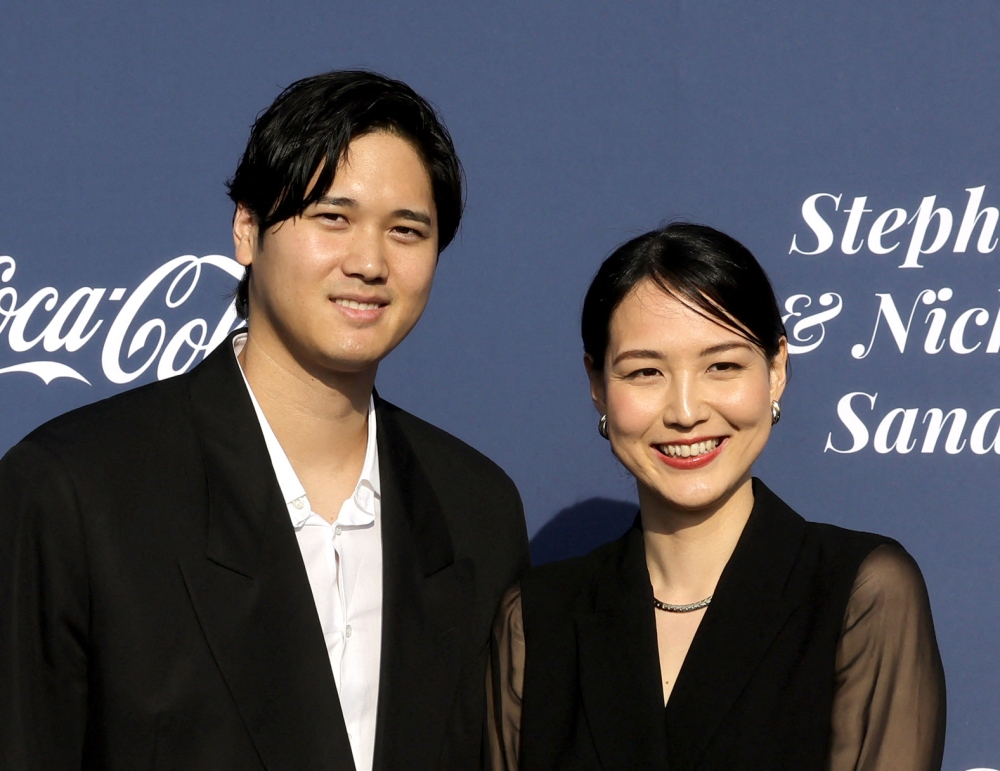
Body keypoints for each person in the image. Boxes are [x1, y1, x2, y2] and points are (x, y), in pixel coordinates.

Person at [0, 70, 530, 771]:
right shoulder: (76, 488)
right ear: (247, 229)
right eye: (331, 218)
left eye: (407, 230)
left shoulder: (474, 507)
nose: (369, 262)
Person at [488, 223, 945, 771]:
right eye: (646, 372)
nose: (685, 411)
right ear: (597, 384)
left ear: (776, 370)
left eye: (722, 366)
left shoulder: (859, 593)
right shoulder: (537, 621)